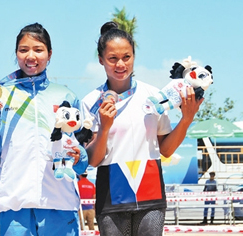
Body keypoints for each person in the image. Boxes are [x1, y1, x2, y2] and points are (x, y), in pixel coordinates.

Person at [82, 21, 203, 236]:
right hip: (112, 195)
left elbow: (165, 149)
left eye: (126, 57)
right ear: (101, 60)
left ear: (134, 56)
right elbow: (93, 160)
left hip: (151, 193)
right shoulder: (90, 102)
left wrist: (186, 119)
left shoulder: (154, 96)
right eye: (112, 58)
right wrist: (104, 129)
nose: (120, 64)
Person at [0, 22, 88, 236]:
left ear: (49, 54)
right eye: (24, 50)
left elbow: (80, 149)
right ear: (16, 54)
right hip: (14, 203)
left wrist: (80, 157)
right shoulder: (0, 95)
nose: (31, 56)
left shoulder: (66, 96)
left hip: (60, 203)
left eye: (38, 50)